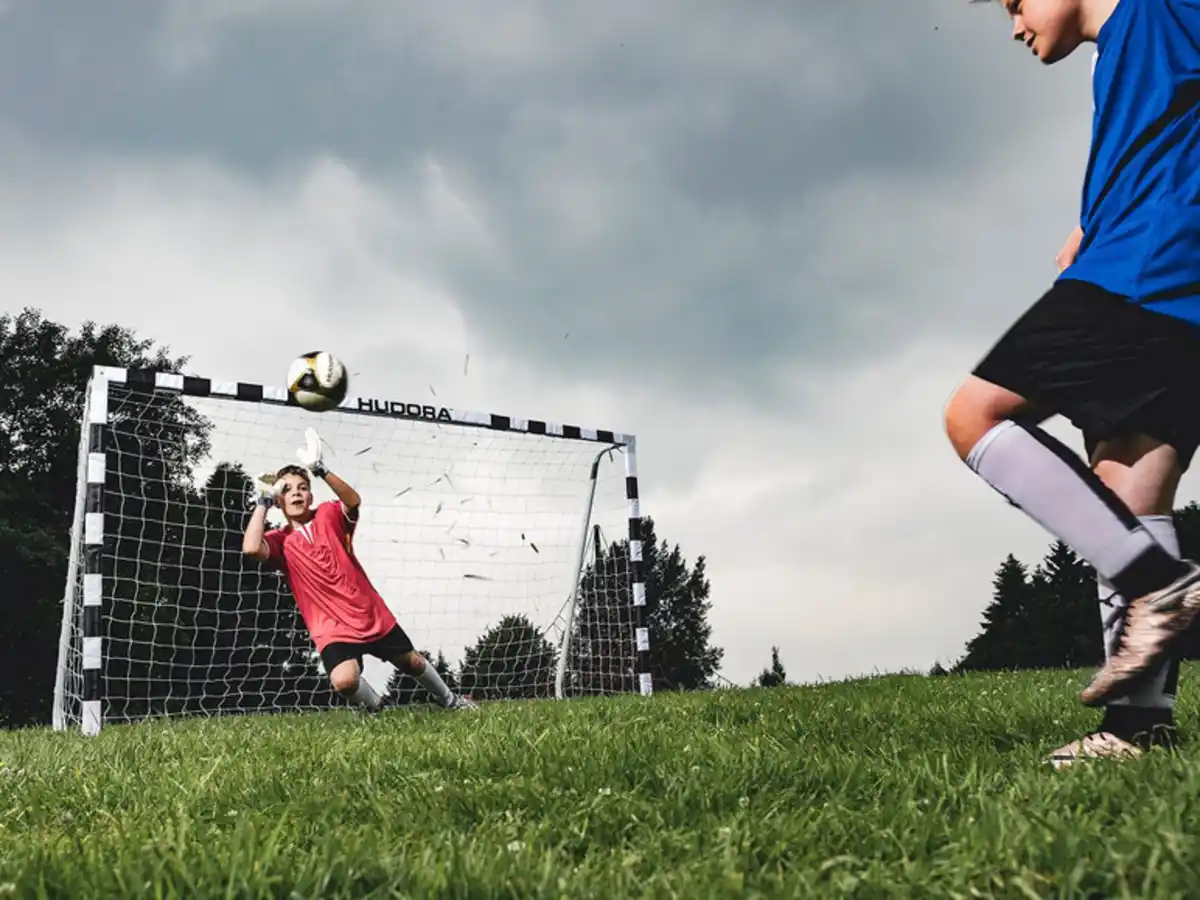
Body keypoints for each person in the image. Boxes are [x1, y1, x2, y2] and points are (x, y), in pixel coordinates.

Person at [950, 0, 1200, 763]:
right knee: (1128, 482)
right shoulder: (1124, 47)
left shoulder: (1156, 10)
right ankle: (1137, 731)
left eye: (1015, 2)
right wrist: (1092, 219)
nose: (1016, 25)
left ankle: (1157, 584)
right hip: (1164, 275)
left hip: (1146, 268)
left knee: (973, 415)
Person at [242, 427, 476, 713]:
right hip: (331, 626)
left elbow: (353, 501)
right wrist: (263, 502)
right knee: (344, 681)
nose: (296, 493)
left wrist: (320, 469)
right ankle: (377, 709)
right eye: (287, 489)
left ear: (311, 496)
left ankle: (451, 701)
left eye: (302, 487)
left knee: (412, 662)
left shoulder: (328, 514)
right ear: (279, 501)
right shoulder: (280, 541)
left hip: (367, 612)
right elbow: (251, 548)